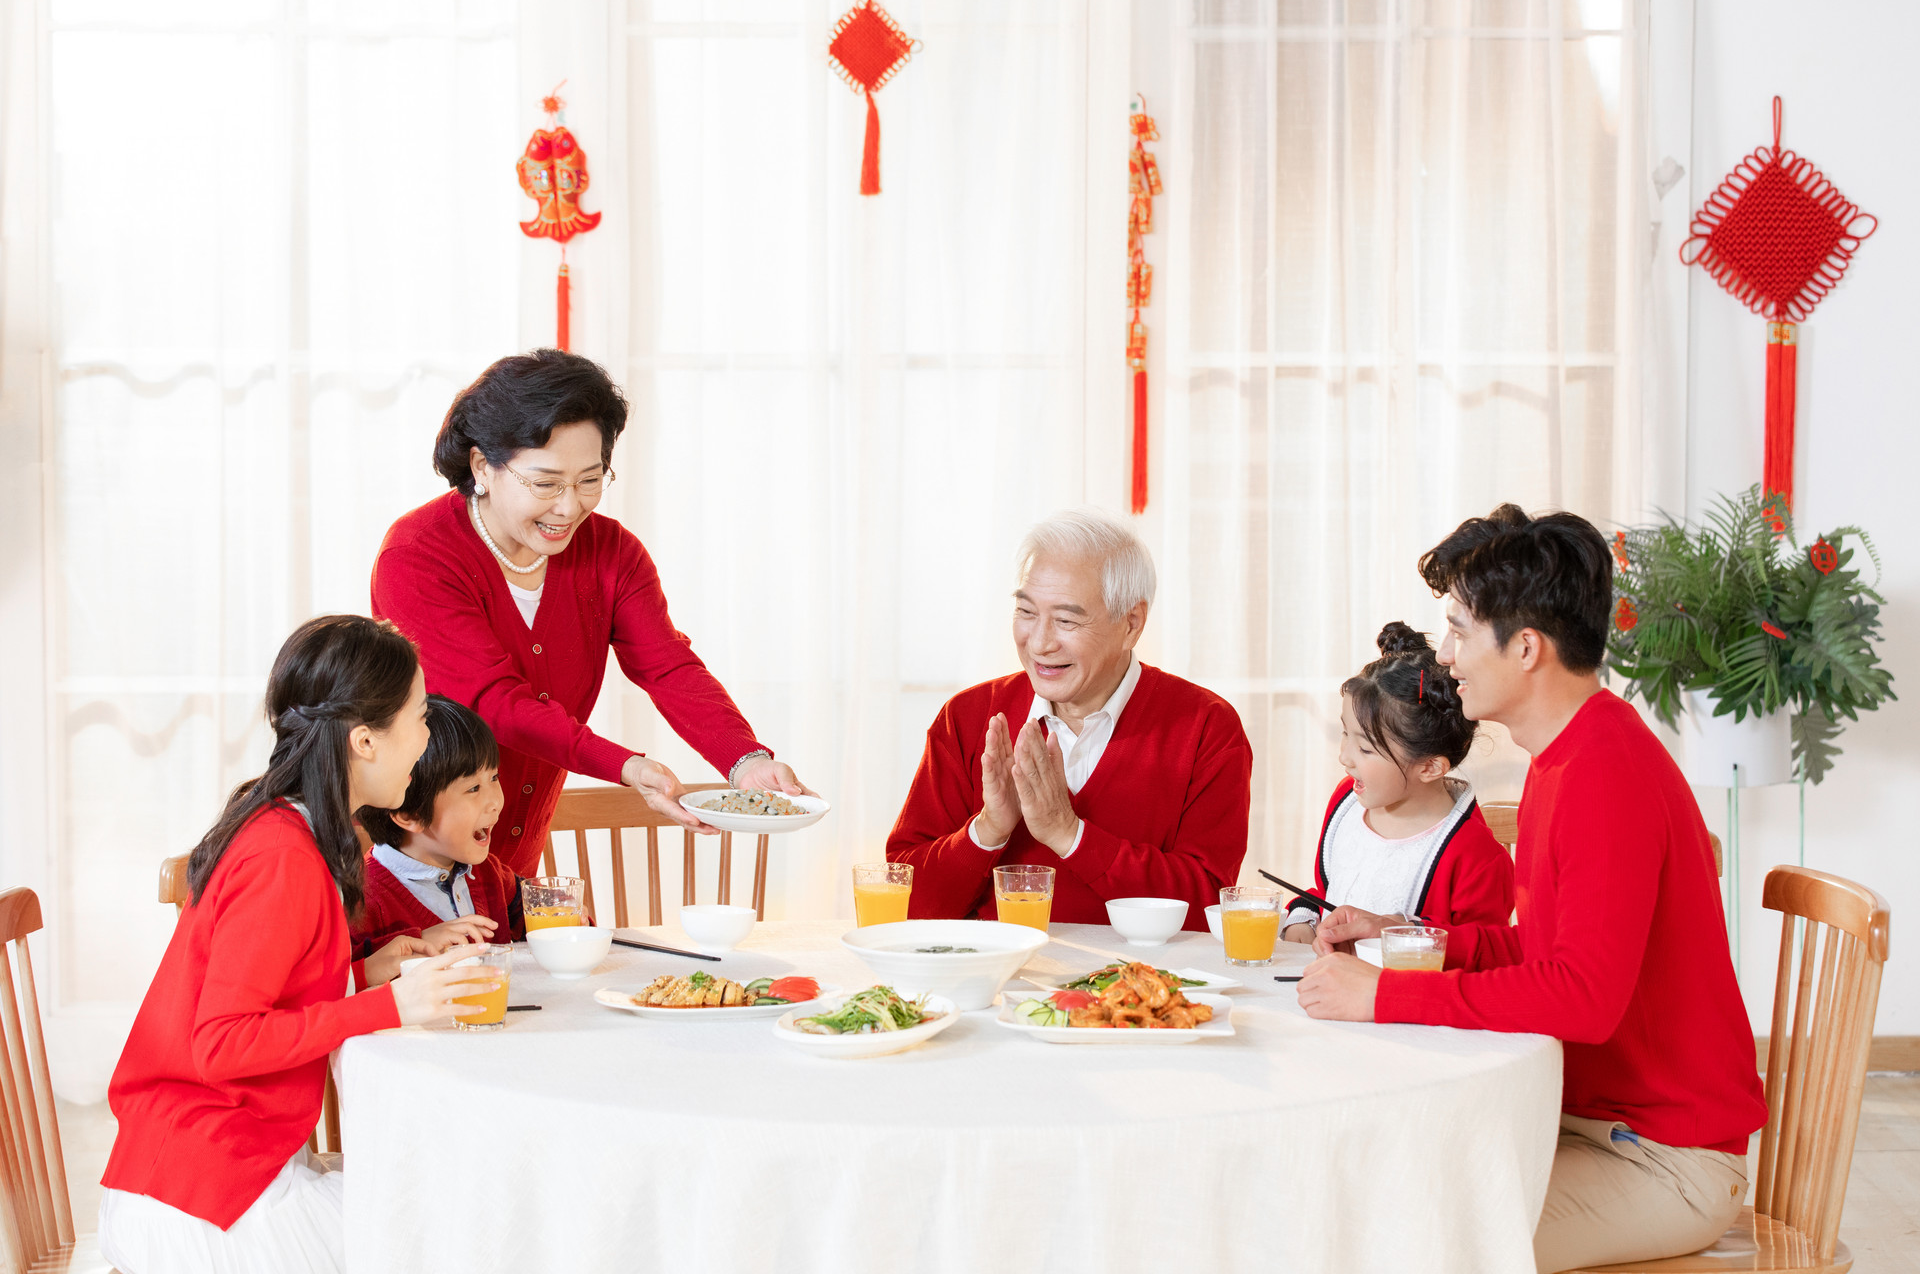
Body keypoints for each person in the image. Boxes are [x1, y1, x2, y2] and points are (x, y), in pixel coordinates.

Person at [1295, 505, 1767, 1273]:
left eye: (1458, 629)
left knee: (1408, 1238)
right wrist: (1408, 938)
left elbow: (1582, 995)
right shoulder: (1566, 754)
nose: (1444, 657)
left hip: (1664, 1160)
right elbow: (1545, 947)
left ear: (1525, 648)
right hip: (1589, 1121)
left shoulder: (1603, 775)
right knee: (1370, 1182)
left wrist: (1384, 995)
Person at [98, 615, 502, 1273]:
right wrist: (392, 1007)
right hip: (202, 1196)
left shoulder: (289, 828)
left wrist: (367, 972)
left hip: (209, 1171)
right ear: (366, 741)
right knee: (461, 1230)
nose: (427, 738)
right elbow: (224, 1042)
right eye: (422, 717)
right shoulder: (282, 856)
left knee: (448, 1215)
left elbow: (271, 992)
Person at [372, 349, 809, 878]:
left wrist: (746, 760)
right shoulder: (419, 555)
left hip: (512, 856)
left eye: (589, 479)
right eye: (546, 483)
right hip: (411, 854)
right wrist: (624, 765)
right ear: (482, 465)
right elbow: (495, 702)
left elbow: (667, 665)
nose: (569, 506)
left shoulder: (612, 553)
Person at [887, 509, 1252, 927]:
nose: (1039, 643)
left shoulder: (1207, 727)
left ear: (1131, 624)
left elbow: (1206, 908)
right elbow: (907, 901)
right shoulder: (969, 716)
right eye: (1026, 612)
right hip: (1000, 983)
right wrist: (988, 830)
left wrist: (1068, 834)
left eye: (1065, 620)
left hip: (1141, 987)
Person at [1281, 621, 1511, 943]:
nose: (1345, 758)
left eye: (1364, 748)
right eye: (1345, 733)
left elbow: (1483, 953)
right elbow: (1325, 892)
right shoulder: (1345, 801)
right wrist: (1302, 922)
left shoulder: (1476, 857)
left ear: (1430, 767)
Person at [352, 695, 522, 959]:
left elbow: (538, 920)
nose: (495, 802)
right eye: (473, 788)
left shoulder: (488, 873)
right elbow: (344, 981)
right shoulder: (362, 901)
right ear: (411, 814)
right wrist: (414, 945)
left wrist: (571, 923)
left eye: (494, 777)